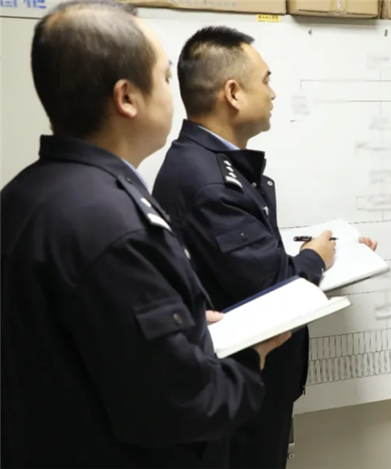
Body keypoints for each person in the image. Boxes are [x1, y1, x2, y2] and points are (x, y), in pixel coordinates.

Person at [0, 2, 290, 467]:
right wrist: (248, 360)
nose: (175, 94)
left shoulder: (24, 194)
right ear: (127, 98)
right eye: (165, 77)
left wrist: (187, 325)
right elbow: (178, 404)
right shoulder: (112, 224)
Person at [151, 26, 378, 469]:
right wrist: (315, 257)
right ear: (233, 93)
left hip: (246, 384)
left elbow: (246, 262)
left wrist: (337, 250)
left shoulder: (211, 165)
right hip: (239, 390)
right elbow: (276, 288)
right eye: (267, 80)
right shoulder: (209, 181)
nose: (273, 93)